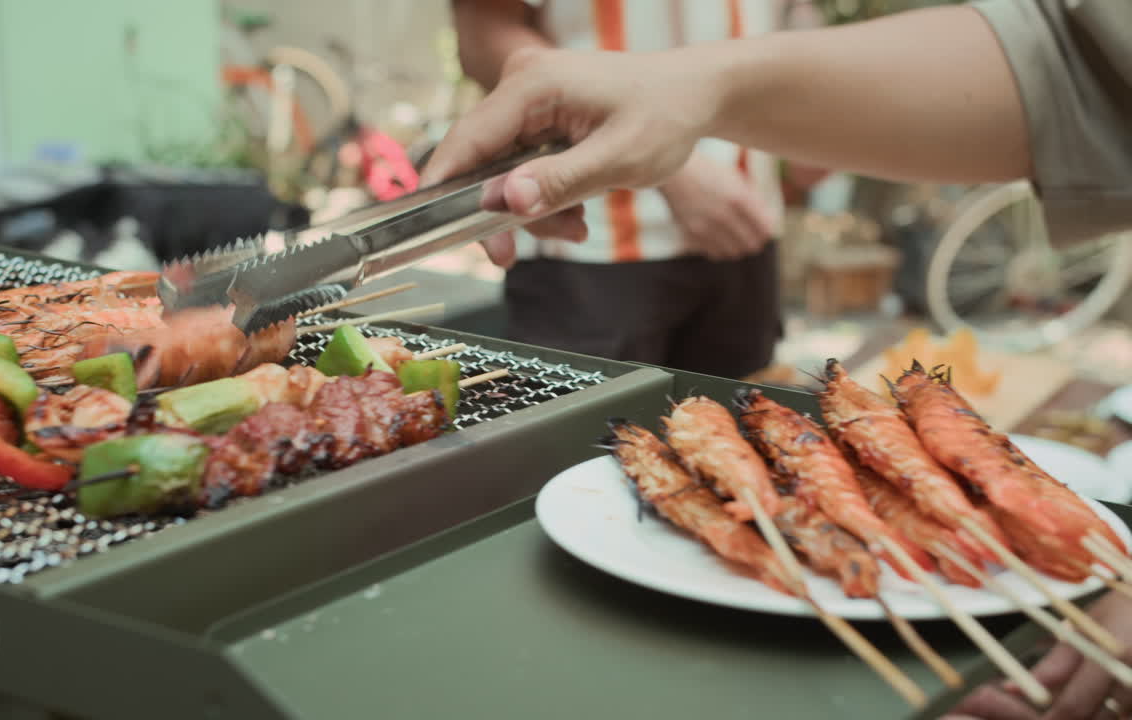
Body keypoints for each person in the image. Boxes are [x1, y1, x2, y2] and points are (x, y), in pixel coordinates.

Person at [420, 1, 1132, 718]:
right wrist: (688, 135)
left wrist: (777, 121)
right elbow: (1066, 63)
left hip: (744, 230)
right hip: (595, 242)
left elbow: (1059, 70)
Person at [448, 0, 824, 380]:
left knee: (738, 428)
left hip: (748, 228)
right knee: (579, 436)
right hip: (593, 245)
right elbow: (484, 33)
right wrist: (672, 162)